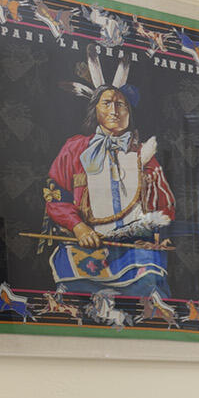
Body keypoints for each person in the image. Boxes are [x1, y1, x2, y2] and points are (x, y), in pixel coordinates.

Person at [44, 58, 174, 299]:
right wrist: (79, 226)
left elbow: (165, 207)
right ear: (95, 109)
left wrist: (155, 235)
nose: (114, 111)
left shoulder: (144, 154)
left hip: (135, 252)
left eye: (120, 104)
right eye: (107, 104)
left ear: (129, 112)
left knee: (148, 298)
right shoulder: (74, 149)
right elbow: (55, 196)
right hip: (85, 249)